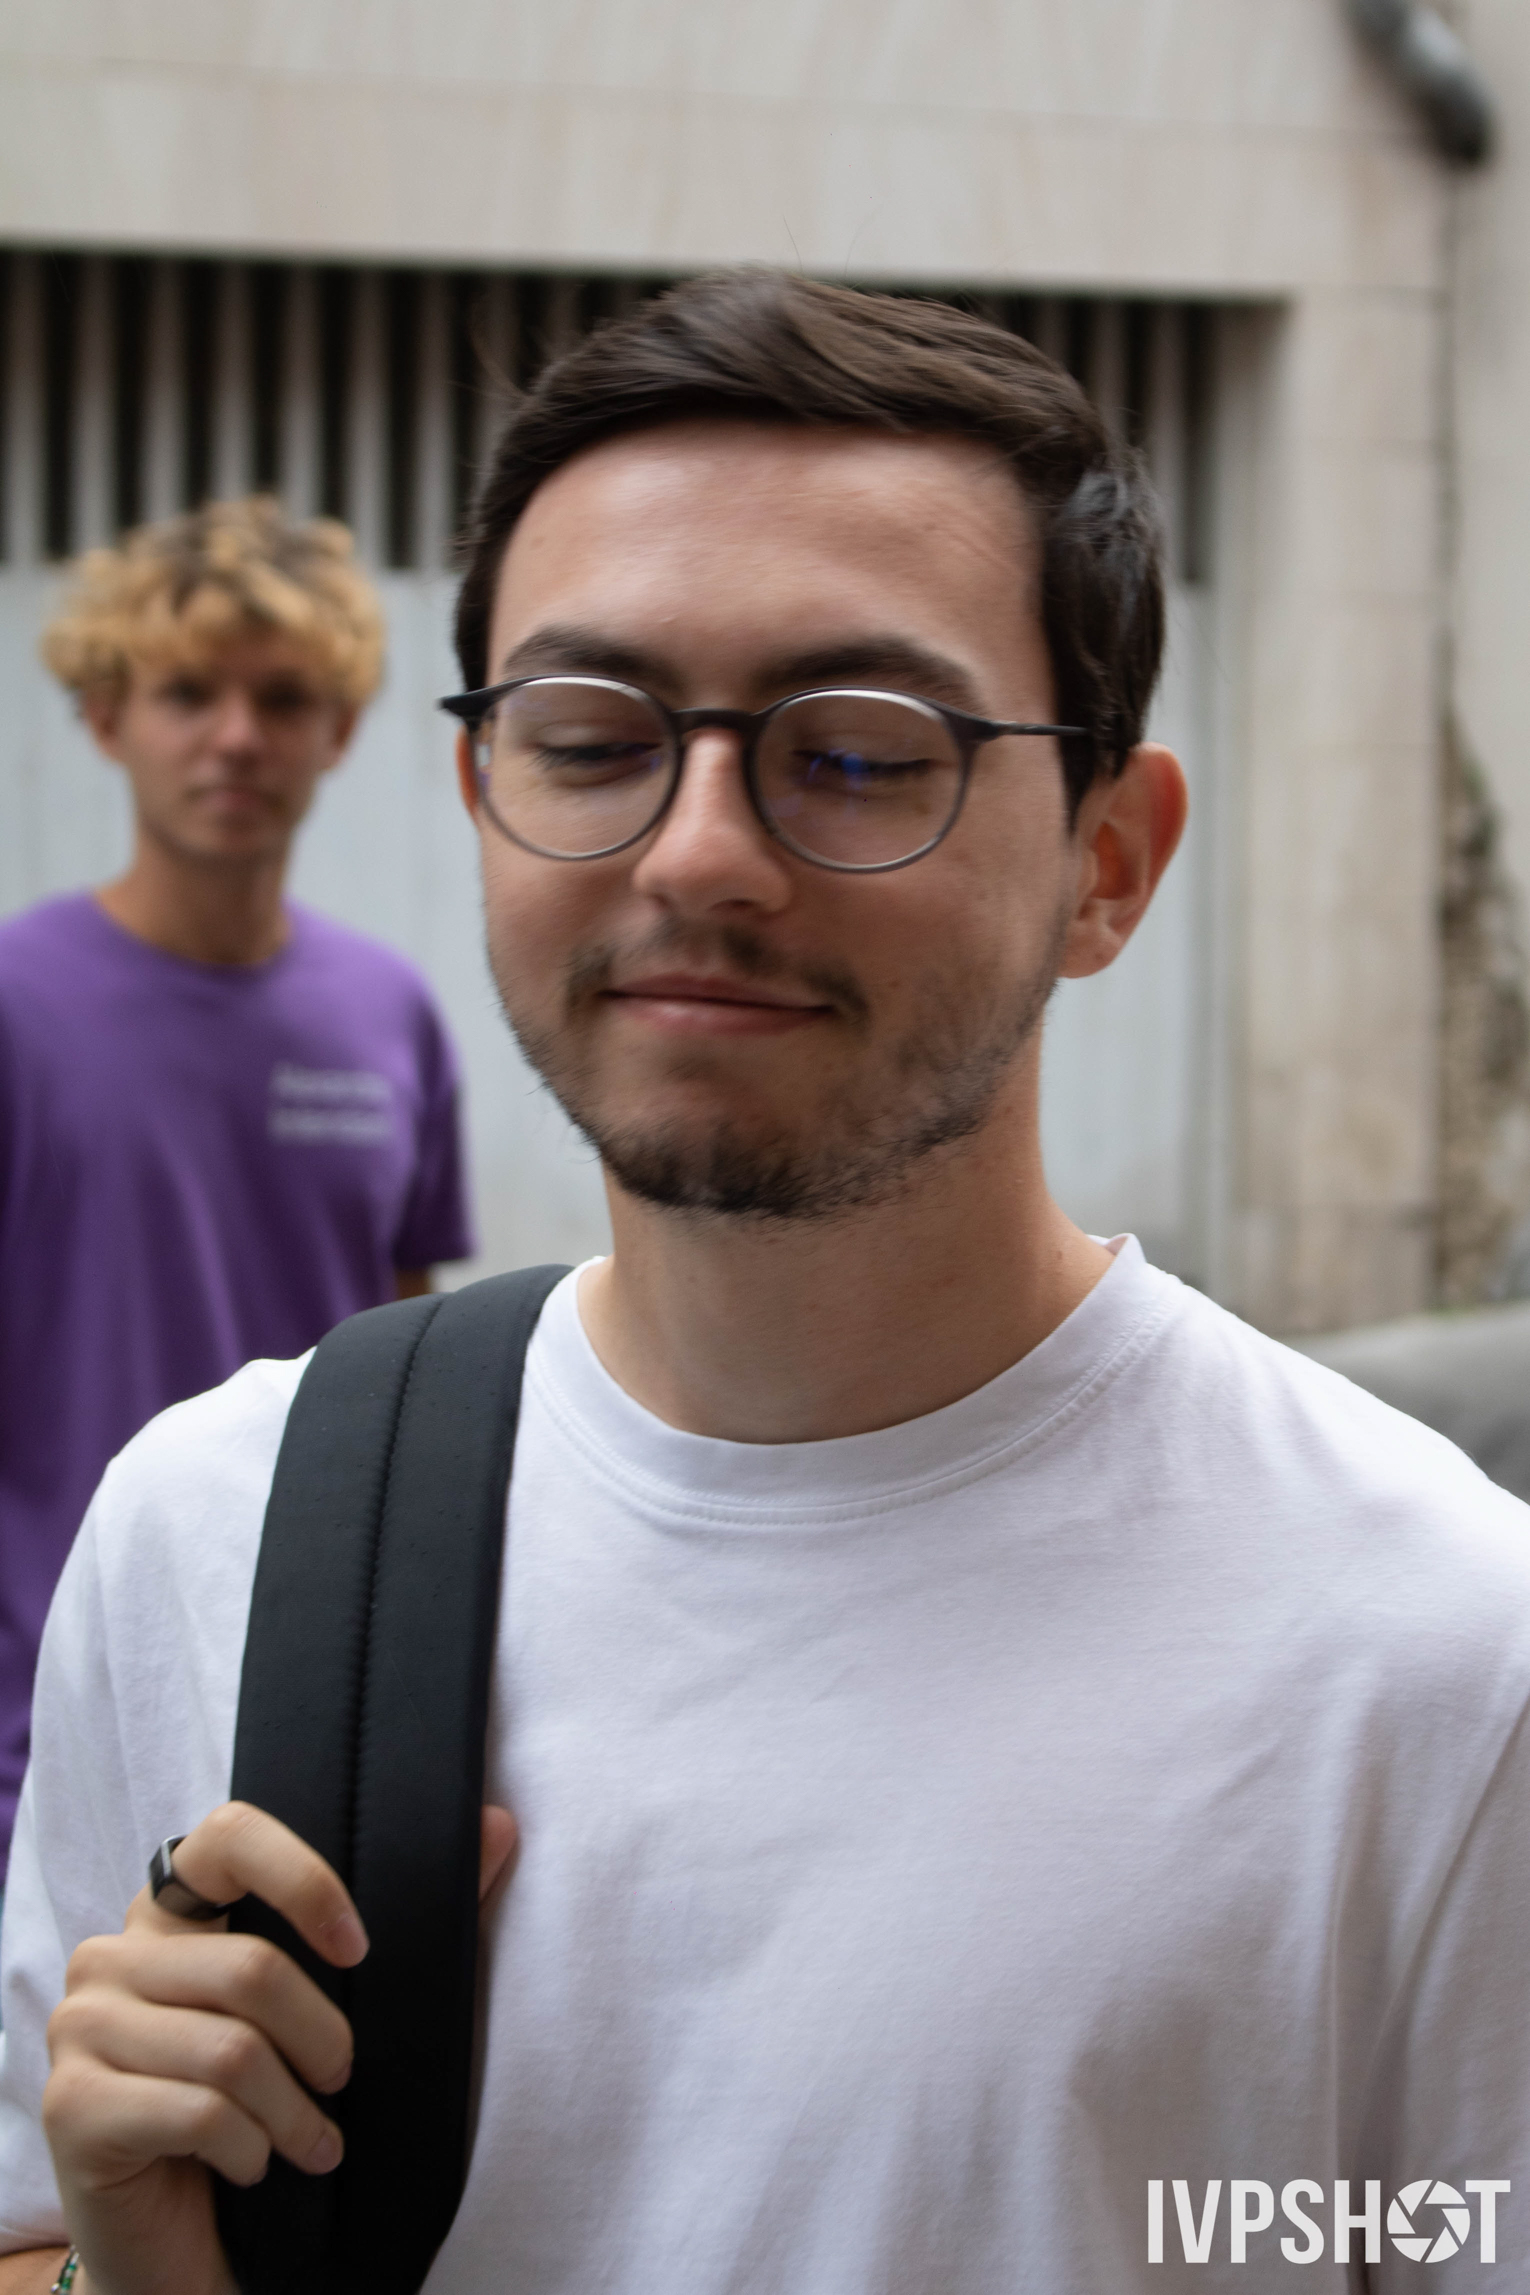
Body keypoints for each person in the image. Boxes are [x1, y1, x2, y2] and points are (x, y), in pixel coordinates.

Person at [1, 273, 1528, 2294]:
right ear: (484, 794)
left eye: (860, 754)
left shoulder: (1435, 1658)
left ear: (1108, 859)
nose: (697, 852)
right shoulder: (215, 1531)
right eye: (591, 737)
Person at [0, 499, 475, 1889]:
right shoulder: (16, 1005)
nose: (236, 737)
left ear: (339, 730)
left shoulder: (389, 1016)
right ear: (105, 717)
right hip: (42, 1730)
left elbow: (409, 1378)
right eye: (187, 693)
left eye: (283, 699)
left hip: (310, 1730)